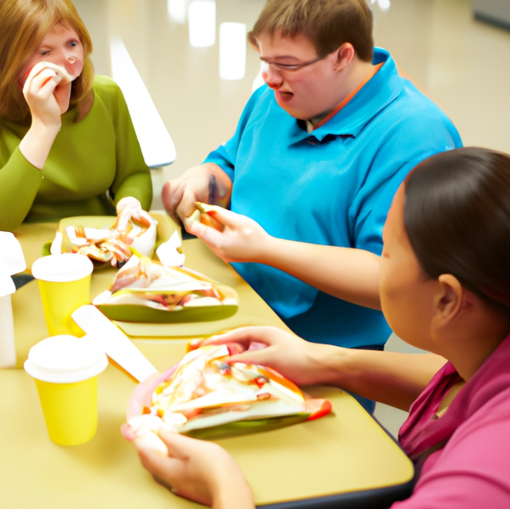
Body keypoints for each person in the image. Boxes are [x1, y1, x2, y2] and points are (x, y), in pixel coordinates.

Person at [125, 147, 510, 509]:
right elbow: (457, 382)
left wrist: (226, 486)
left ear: (447, 300)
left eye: (386, 253)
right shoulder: (483, 349)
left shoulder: (483, 477)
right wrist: (322, 360)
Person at [162, 0, 462, 353]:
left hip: (323, 350)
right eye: (265, 62)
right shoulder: (275, 99)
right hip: (232, 304)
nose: (270, 79)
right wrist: (206, 179)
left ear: (343, 56)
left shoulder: (413, 136)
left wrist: (267, 250)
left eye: (287, 65)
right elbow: (233, 161)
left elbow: (396, 280)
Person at [0, 0, 153, 232]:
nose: (67, 58)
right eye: (45, 51)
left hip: (100, 244)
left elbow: (134, 175)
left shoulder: (106, 95)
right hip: (23, 254)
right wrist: (43, 127)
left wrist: (130, 203)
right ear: (10, 61)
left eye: (72, 44)